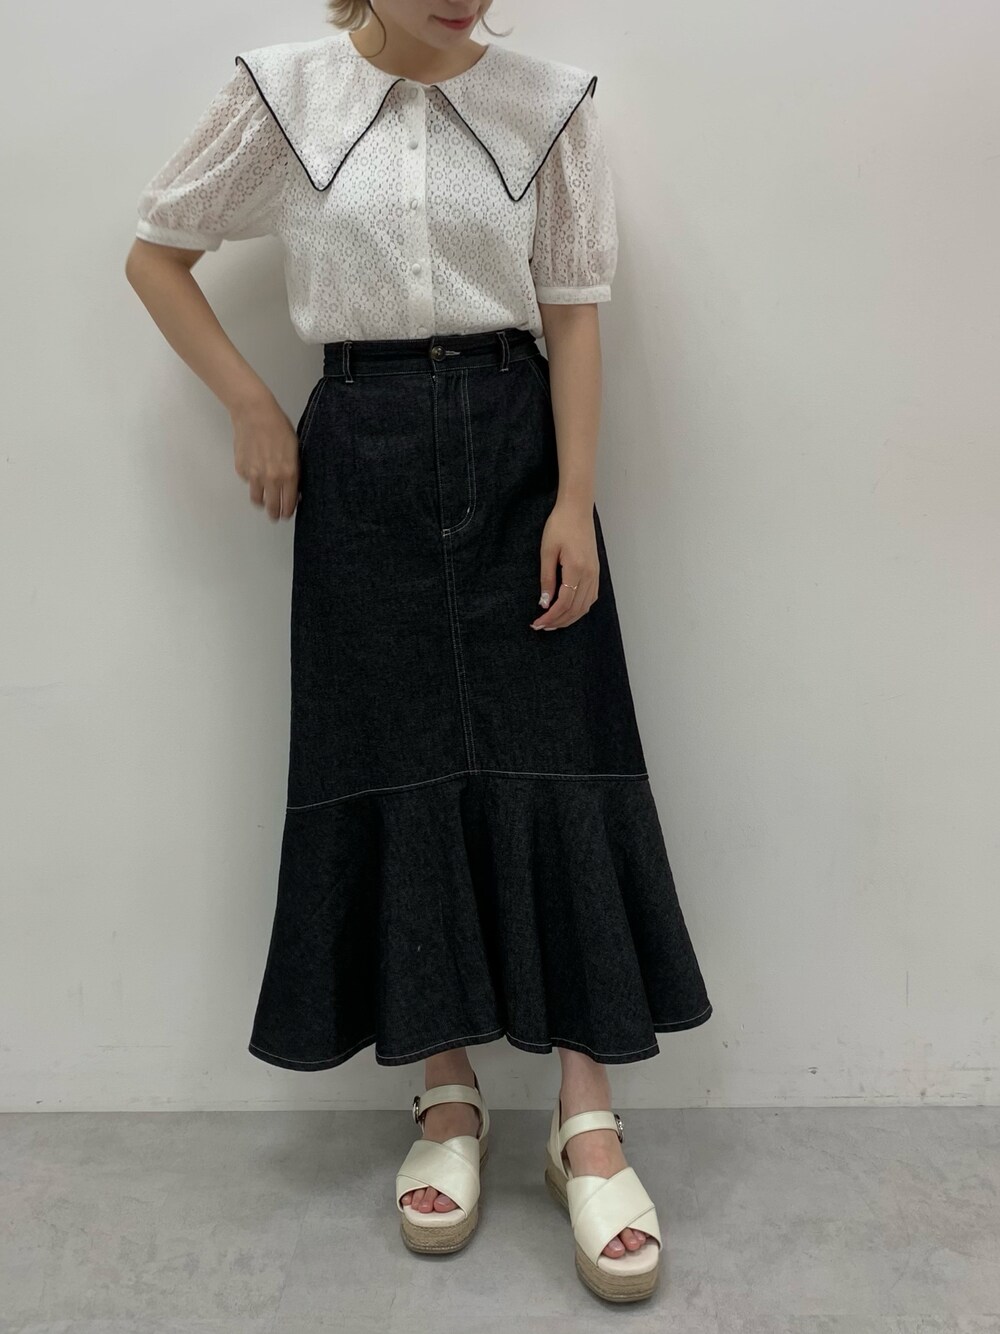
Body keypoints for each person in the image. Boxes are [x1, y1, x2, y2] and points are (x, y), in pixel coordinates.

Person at [125, 0, 713, 1304]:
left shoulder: (549, 101)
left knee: (560, 757)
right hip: (362, 450)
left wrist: (574, 498)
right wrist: (251, 402)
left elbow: (572, 311)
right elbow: (156, 254)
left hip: (518, 446)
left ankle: (586, 1114)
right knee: (397, 762)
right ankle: (446, 1092)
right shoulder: (281, 95)